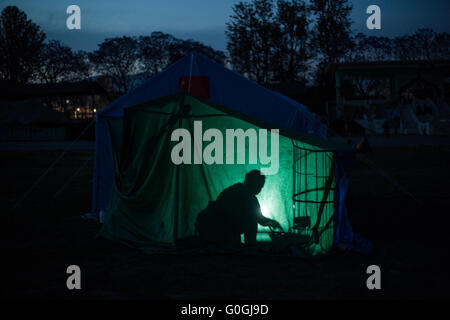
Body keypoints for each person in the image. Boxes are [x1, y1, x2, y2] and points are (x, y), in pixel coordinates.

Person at [195, 170, 282, 248]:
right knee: (251, 220)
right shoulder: (249, 199)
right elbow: (258, 218)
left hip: (205, 224)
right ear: (254, 184)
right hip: (216, 228)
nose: (260, 189)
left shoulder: (232, 190)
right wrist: (272, 223)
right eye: (260, 186)